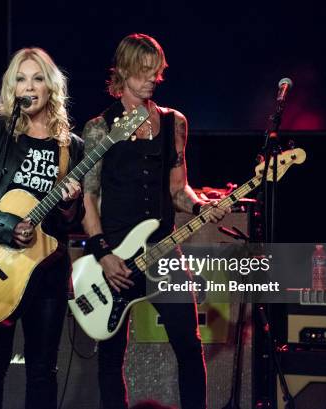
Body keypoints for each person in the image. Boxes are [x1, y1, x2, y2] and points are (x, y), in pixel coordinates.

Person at [81, 33, 228, 409]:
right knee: (112, 356)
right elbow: (89, 198)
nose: (152, 79)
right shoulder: (99, 127)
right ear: (124, 71)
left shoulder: (174, 122)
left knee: (189, 346)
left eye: (156, 72)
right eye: (144, 72)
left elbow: (180, 190)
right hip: (113, 254)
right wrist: (103, 254)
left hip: (163, 250)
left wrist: (200, 207)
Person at [0, 47, 84, 409]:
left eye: (38, 78)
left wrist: (71, 202)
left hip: (47, 271)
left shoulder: (70, 146)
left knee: (43, 371)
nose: (29, 86)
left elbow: (69, 222)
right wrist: (8, 226)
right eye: (21, 79)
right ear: (12, 87)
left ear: (51, 87)